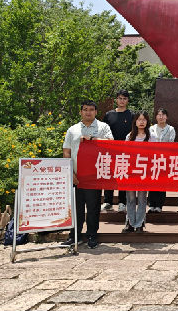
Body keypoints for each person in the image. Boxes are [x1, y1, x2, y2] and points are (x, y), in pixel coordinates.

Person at [62, 100, 113, 249]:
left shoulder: (103, 127)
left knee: (93, 208)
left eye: (91, 109)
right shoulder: (73, 130)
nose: (88, 112)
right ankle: (74, 236)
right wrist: (70, 173)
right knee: (76, 208)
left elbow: (111, 144)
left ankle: (92, 236)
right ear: (80, 112)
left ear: (96, 112)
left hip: (94, 176)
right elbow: (67, 152)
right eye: (85, 109)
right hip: (76, 177)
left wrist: (93, 139)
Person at [101, 90, 132, 212]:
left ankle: (122, 202)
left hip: (126, 152)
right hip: (110, 151)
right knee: (109, 176)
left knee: (122, 176)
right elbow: (103, 131)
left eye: (124, 98)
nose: (122, 101)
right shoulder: (109, 115)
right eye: (120, 98)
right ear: (116, 100)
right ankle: (108, 201)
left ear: (127, 100)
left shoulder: (131, 115)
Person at [123, 111, 150, 233]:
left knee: (142, 198)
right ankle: (130, 221)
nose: (141, 122)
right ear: (135, 122)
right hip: (131, 171)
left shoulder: (151, 137)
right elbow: (125, 153)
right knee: (130, 197)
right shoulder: (129, 136)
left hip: (144, 172)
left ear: (147, 121)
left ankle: (139, 223)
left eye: (144, 119)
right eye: (139, 119)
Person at [148, 107, 175, 213]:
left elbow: (171, 144)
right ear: (156, 117)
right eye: (159, 115)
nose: (161, 117)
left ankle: (159, 205)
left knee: (161, 182)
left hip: (164, 159)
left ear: (166, 117)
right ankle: (151, 204)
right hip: (152, 159)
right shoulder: (151, 128)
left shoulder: (171, 129)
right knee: (152, 181)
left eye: (163, 115)